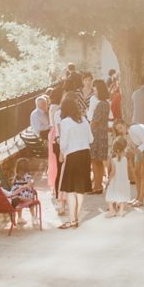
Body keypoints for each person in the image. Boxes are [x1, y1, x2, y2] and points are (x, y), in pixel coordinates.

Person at [58, 90, 94, 227]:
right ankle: (76, 217)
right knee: (80, 189)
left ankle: (73, 219)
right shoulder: (84, 120)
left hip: (73, 155)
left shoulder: (65, 122)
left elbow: (63, 143)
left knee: (70, 190)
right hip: (85, 154)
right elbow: (91, 139)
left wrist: (63, 151)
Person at [105, 131, 134, 216]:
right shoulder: (125, 159)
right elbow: (128, 169)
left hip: (115, 181)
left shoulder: (113, 160)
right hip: (124, 181)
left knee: (110, 196)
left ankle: (112, 211)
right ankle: (121, 211)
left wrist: (108, 180)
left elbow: (113, 172)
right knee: (122, 197)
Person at [89, 80, 111, 194]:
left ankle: (97, 186)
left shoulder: (101, 104)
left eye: (95, 90)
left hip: (96, 135)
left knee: (95, 161)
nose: (94, 92)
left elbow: (95, 121)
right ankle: (98, 186)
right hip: (102, 134)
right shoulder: (106, 103)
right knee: (98, 161)